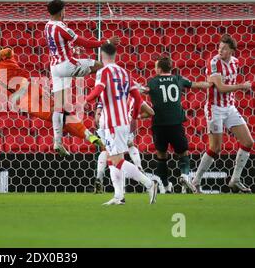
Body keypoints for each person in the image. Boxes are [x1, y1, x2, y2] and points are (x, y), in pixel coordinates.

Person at [0, 22, 103, 154]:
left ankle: (80, 138)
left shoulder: (5, 55)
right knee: (60, 114)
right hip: (22, 97)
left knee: (60, 112)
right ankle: (85, 136)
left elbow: (8, 50)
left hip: (31, 88)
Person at [86, 42, 158, 205]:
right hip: (121, 122)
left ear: (102, 55)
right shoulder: (125, 72)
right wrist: (132, 118)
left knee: (116, 160)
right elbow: (138, 98)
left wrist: (85, 99)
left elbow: (97, 91)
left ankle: (149, 184)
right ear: (115, 55)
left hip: (112, 122)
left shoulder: (103, 71)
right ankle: (119, 196)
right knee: (112, 160)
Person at [45, 0, 119, 156]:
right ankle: (107, 96)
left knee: (59, 107)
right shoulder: (61, 27)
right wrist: (106, 42)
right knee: (100, 66)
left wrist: (71, 48)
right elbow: (84, 42)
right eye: (64, 10)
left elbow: (61, 46)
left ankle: (57, 142)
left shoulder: (47, 26)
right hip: (67, 65)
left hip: (55, 68)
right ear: (61, 12)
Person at [192, 34, 253, 193]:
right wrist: (241, 86)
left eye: (224, 48)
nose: (220, 50)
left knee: (247, 142)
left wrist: (242, 86)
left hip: (230, 107)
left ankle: (235, 180)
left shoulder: (236, 62)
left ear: (232, 50)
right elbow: (220, 88)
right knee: (216, 148)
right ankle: (196, 180)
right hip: (215, 108)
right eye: (219, 47)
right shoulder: (214, 62)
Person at [146, 56, 212, 194]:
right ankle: (184, 175)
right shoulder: (178, 79)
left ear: (159, 69)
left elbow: (142, 90)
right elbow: (197, 85)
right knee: (183, 153)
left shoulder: (152, 82)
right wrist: (211, 84)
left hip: (159, 124)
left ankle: (165, 186)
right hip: (175, 123)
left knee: (161, 154)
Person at [93, 92, 155, 194]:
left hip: (108, 125)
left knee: (110, 154)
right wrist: (135, 116)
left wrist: (99, 122)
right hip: (124, 125)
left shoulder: (107, 94)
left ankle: (100, 176)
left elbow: (97, 115)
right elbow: (151, 112)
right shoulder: (133, 97)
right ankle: (138, 167)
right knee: (125, 151)